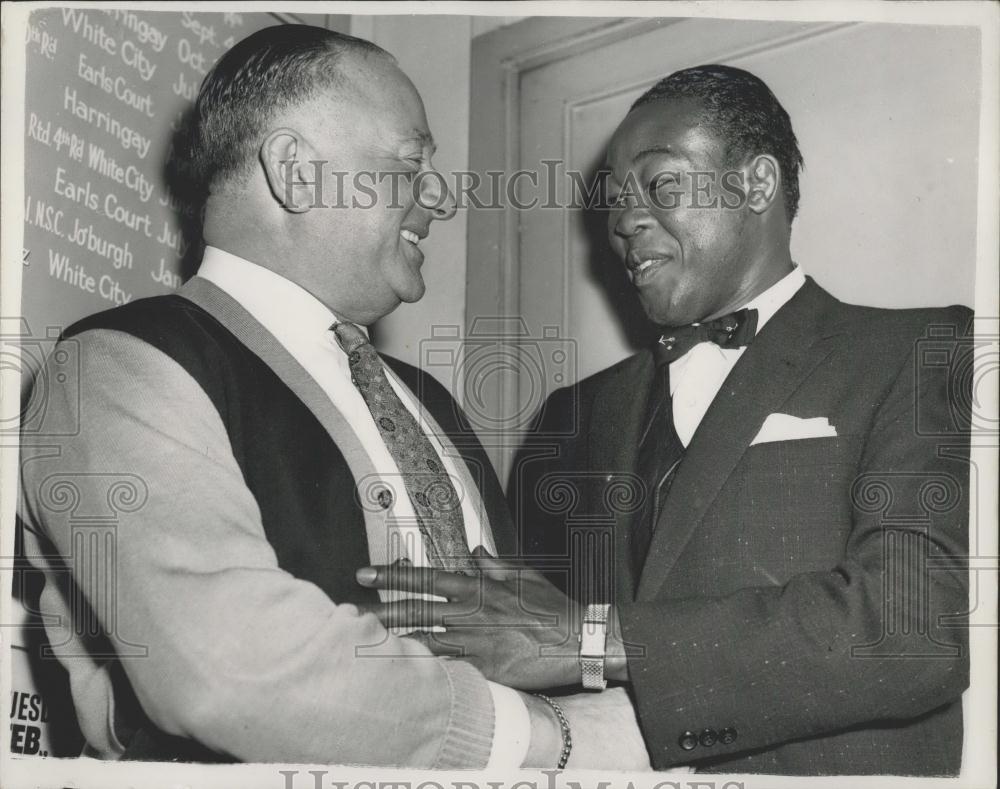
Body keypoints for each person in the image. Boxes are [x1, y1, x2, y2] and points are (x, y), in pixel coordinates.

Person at [17, 25, 651, 770]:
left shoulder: (430, 403)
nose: (441, 198)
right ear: (296, 170)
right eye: (413, 163)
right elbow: (231, 670)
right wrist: (550, 738)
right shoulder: (111, 369)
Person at [358, 65, 972, 776]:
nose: (624, 220)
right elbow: (524, 644)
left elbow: (912, 629)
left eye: (662, 183)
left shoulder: (919, 351)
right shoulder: (572, 416)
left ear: (757, 183)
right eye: (617, 199)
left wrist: (592, 637)